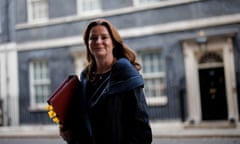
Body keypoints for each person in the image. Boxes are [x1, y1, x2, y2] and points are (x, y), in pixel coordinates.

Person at [59, 18, 152, 144]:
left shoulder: (125, 73)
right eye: (93, 38)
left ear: (113, 42)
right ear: (88, 43)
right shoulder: (86, 78)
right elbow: (84, 121)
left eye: (104, 37)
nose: (98, 41)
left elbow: (141, 128)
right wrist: (69, 130)